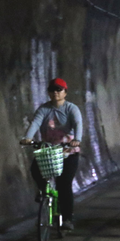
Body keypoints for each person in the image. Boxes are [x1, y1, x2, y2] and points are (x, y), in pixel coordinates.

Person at [20, 78, 82, 231]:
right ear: (48, 92)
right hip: (49, 150)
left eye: (59, 89)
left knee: (64, 184)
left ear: (65, 92)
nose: (56, 92)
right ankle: (43, 191)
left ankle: (67, 218)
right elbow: (35, 122)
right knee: (36, 170)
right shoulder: (44, 109)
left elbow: (78, 123)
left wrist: (77, 140)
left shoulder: (71, 109)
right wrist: (28, 138)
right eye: (53, 90)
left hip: (68, 151)